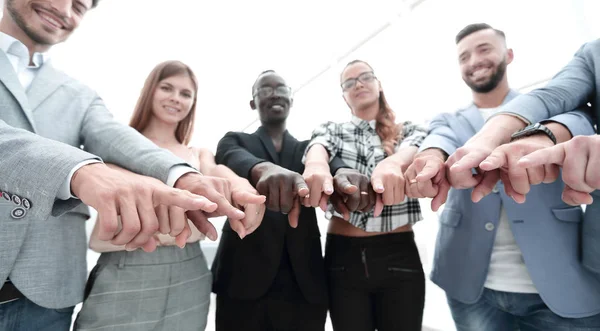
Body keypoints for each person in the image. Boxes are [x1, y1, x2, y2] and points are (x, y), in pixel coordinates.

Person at [0, 1, 260, 330]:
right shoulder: (104, 164)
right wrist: (82, 171)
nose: (64, 9)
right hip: (123, 278)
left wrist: (184, 175)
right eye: (167, 88)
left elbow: (117, 138)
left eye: (79, 5)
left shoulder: (82, 95)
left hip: (47, 294)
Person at [404, 23, 600, 330]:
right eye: (464, 56)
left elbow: (578, 121)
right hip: (471, 287)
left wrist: (543, 137)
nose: (474, 60)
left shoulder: (550, 106)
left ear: (508, 54)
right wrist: (430, 156)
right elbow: (438, 137)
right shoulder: (449, 119)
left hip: (562, 282)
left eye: (483, 49)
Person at [74, 61, 265, 331]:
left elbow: (217, 171)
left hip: (190, 270)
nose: (176, 98)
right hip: (126, 268)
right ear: (150, 91)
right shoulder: (113, 146)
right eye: (167, 88)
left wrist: (241, 187)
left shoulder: (198, 154)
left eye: (186, 94)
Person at [211, 70, 351, 331]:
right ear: (253, 103)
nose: (274, 93)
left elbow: (331, 166)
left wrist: (343, 172)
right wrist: (263, 169)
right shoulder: (235, 140)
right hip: (242, 278)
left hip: (303, 284)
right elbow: (231, 156)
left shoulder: (310, 149)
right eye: (265, 89)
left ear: (291, 98)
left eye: (281, 88)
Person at [303, 60, 427, 331]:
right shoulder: (332, 130)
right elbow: (318, 146)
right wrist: (315, 165)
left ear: (379, 85)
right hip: (344, 257)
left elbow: (415, 148)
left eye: (365, 77)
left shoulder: (407, 129)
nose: (358, 84)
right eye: (349, 83)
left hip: (398, 252)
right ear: (344, 96)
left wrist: (393, 164)